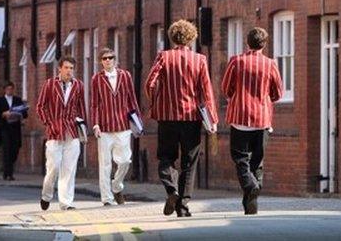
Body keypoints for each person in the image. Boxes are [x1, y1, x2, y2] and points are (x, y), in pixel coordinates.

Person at [145, 19, 218, 217]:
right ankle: (183, 207)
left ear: (172, 38)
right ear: (191, 38)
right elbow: (207, 91)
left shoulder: (163, 57)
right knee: (189, 162)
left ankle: (171, 190)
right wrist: (212, 119)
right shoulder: (200, 60)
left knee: (166, 158)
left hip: (167, 117)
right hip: (191, 118)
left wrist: (156, 102)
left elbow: (150, 83)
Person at [220, 27, 284, 215]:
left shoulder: (236, 62)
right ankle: (252, 203)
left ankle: (251, 185)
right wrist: (264, 100)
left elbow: (226, 88)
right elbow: (278, 93)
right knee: (257, 161)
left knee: (240, 159)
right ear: (264, 44)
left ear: (247, 42)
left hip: (240, 118)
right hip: (262, 120)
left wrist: (238, 97)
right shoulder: (271, 64)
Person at [35, 56, 87, 211]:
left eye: (71, 68)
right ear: (60, 68)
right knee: (54, 168)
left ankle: (66, 203)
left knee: (69, 169)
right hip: (54, 133)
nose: (69, 71)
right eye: (66, 68)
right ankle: (46, 195)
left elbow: (81, 108)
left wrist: (83, 126)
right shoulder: (50, 84)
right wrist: (49, 123)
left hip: (72, 132)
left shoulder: (78, 85)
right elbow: (40, 107)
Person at [90, 47, 139, 206]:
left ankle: (117, 186)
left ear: (114, 59)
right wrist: (95, 123)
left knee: (125, 160)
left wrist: (137, 121)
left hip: (123, 125)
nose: (108, 60)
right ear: (101, 62)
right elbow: (94, 104)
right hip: (104, 128)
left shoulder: (126, 76)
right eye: (104, 58)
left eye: (110, 57)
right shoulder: (96, 79)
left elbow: (132, 98)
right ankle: (107, 198)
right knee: (105, 165)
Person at [0, 81, 27, 181]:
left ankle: (9, 169)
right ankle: (8, 174)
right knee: (6, 150)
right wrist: (4, 114)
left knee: (14, 150)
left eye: (11, 89)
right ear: (4, 90)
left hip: (15, 128)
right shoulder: (0, 100)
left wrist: (20, 114)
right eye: (8, 89)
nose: (10, 91)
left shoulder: (17, 100)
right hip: (5, 128)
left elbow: (24, 113)